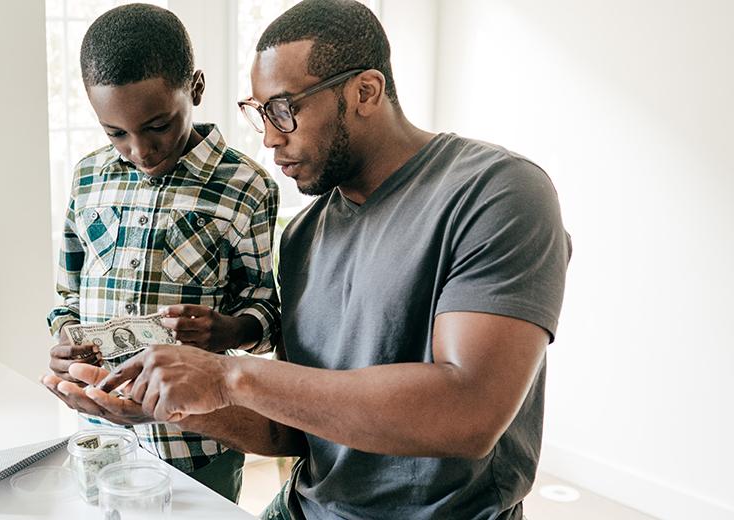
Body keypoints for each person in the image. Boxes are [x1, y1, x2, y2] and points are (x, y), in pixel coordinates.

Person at [45, 1, 572, 519]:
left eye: (283, 109)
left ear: (365, 92)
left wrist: (229, 375)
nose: (271, 138)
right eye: (259, 113)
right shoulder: (302, 237)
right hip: (306, 507)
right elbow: (292, 426)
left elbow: (469, 413)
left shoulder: (497, 192)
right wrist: (165, 404)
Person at [41, 3, 281, 504]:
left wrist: (231, 329)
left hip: (197, 445)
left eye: (157, 126)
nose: (141, 150)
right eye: (116, 133)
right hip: (100, 433)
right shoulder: (87, 178)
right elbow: (68, 293)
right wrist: (65, 338)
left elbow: (267, 313)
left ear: (194, 88)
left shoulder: (247, 187)